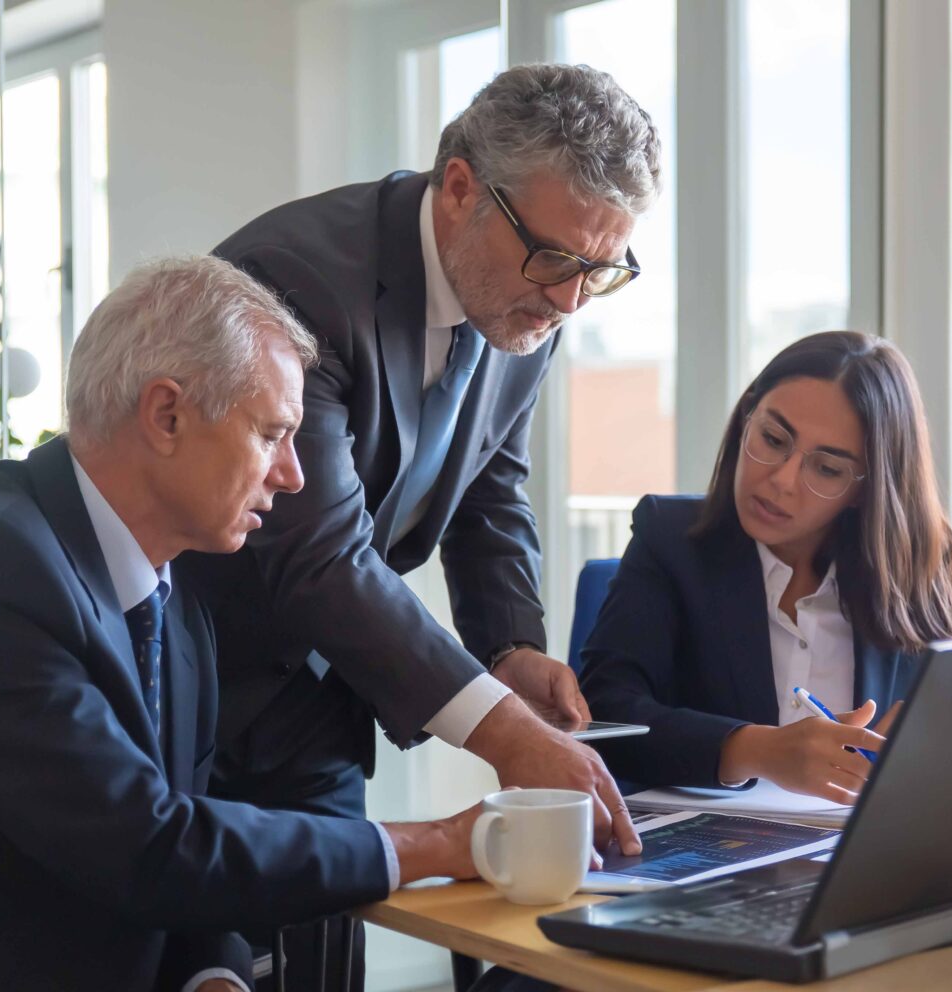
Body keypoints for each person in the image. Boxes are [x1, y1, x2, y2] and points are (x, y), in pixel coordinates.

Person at [0, 257, 483, 992]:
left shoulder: (176, 600)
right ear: (167, 416)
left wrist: (215, 977)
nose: (293, 474)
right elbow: (147, 846)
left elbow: (182, 850)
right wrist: (437, 844)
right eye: (272, 434)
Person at [181, 64, 660, 852]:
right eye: (554, 260)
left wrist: (511, 649)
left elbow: (489, 488)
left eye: (598, 271)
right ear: (462, 189)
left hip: (324, 692)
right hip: (188, 680)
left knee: (332, 911)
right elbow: (319, 554)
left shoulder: (530, 298)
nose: (570, 301)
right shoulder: (296, 281)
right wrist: (503, 730)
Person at [579, 331, 952, 802]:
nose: (782, 480)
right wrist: (757, 750)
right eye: (773, 438)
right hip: (713, 840)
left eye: (827, 469)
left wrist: (936, 723)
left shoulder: (922, 562)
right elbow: (606, 713)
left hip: (866, 839)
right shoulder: (668, 540)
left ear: (866, 487)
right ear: (746, 418)